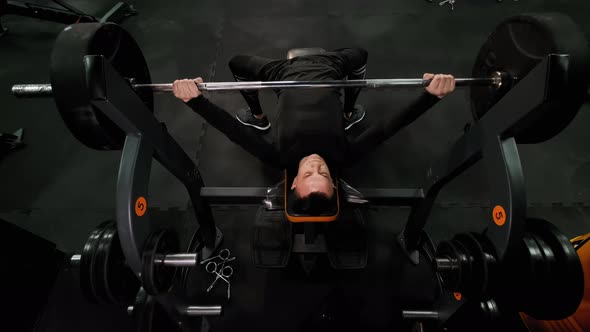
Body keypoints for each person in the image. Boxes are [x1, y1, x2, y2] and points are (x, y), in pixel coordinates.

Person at [172, 48, 455, 212]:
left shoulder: (278, 156)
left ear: (294, 182)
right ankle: (348, 112)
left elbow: (232, 130)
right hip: (330, 68)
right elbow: (388, 127)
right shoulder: (345, 155)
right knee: (359, 55)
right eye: (324, 175)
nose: (317, 166)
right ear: (334, 184)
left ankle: (258, 116)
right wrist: (431, 96)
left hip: (282, 73)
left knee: (237, 61)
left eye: (308, 174)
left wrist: (193, 100)